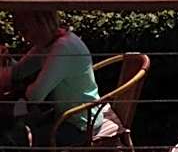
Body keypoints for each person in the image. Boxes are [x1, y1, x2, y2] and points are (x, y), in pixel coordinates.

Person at [0, 11, 105, 149]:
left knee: (12, 139)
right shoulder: (51, 42)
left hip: (81, 125)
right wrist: (6, 61)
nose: (24, 38)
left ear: (40, 24)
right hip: (66, 115)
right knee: (14, 123)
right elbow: (19, 72)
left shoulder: (62, 49)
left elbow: (35, 95)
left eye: (25, 30)